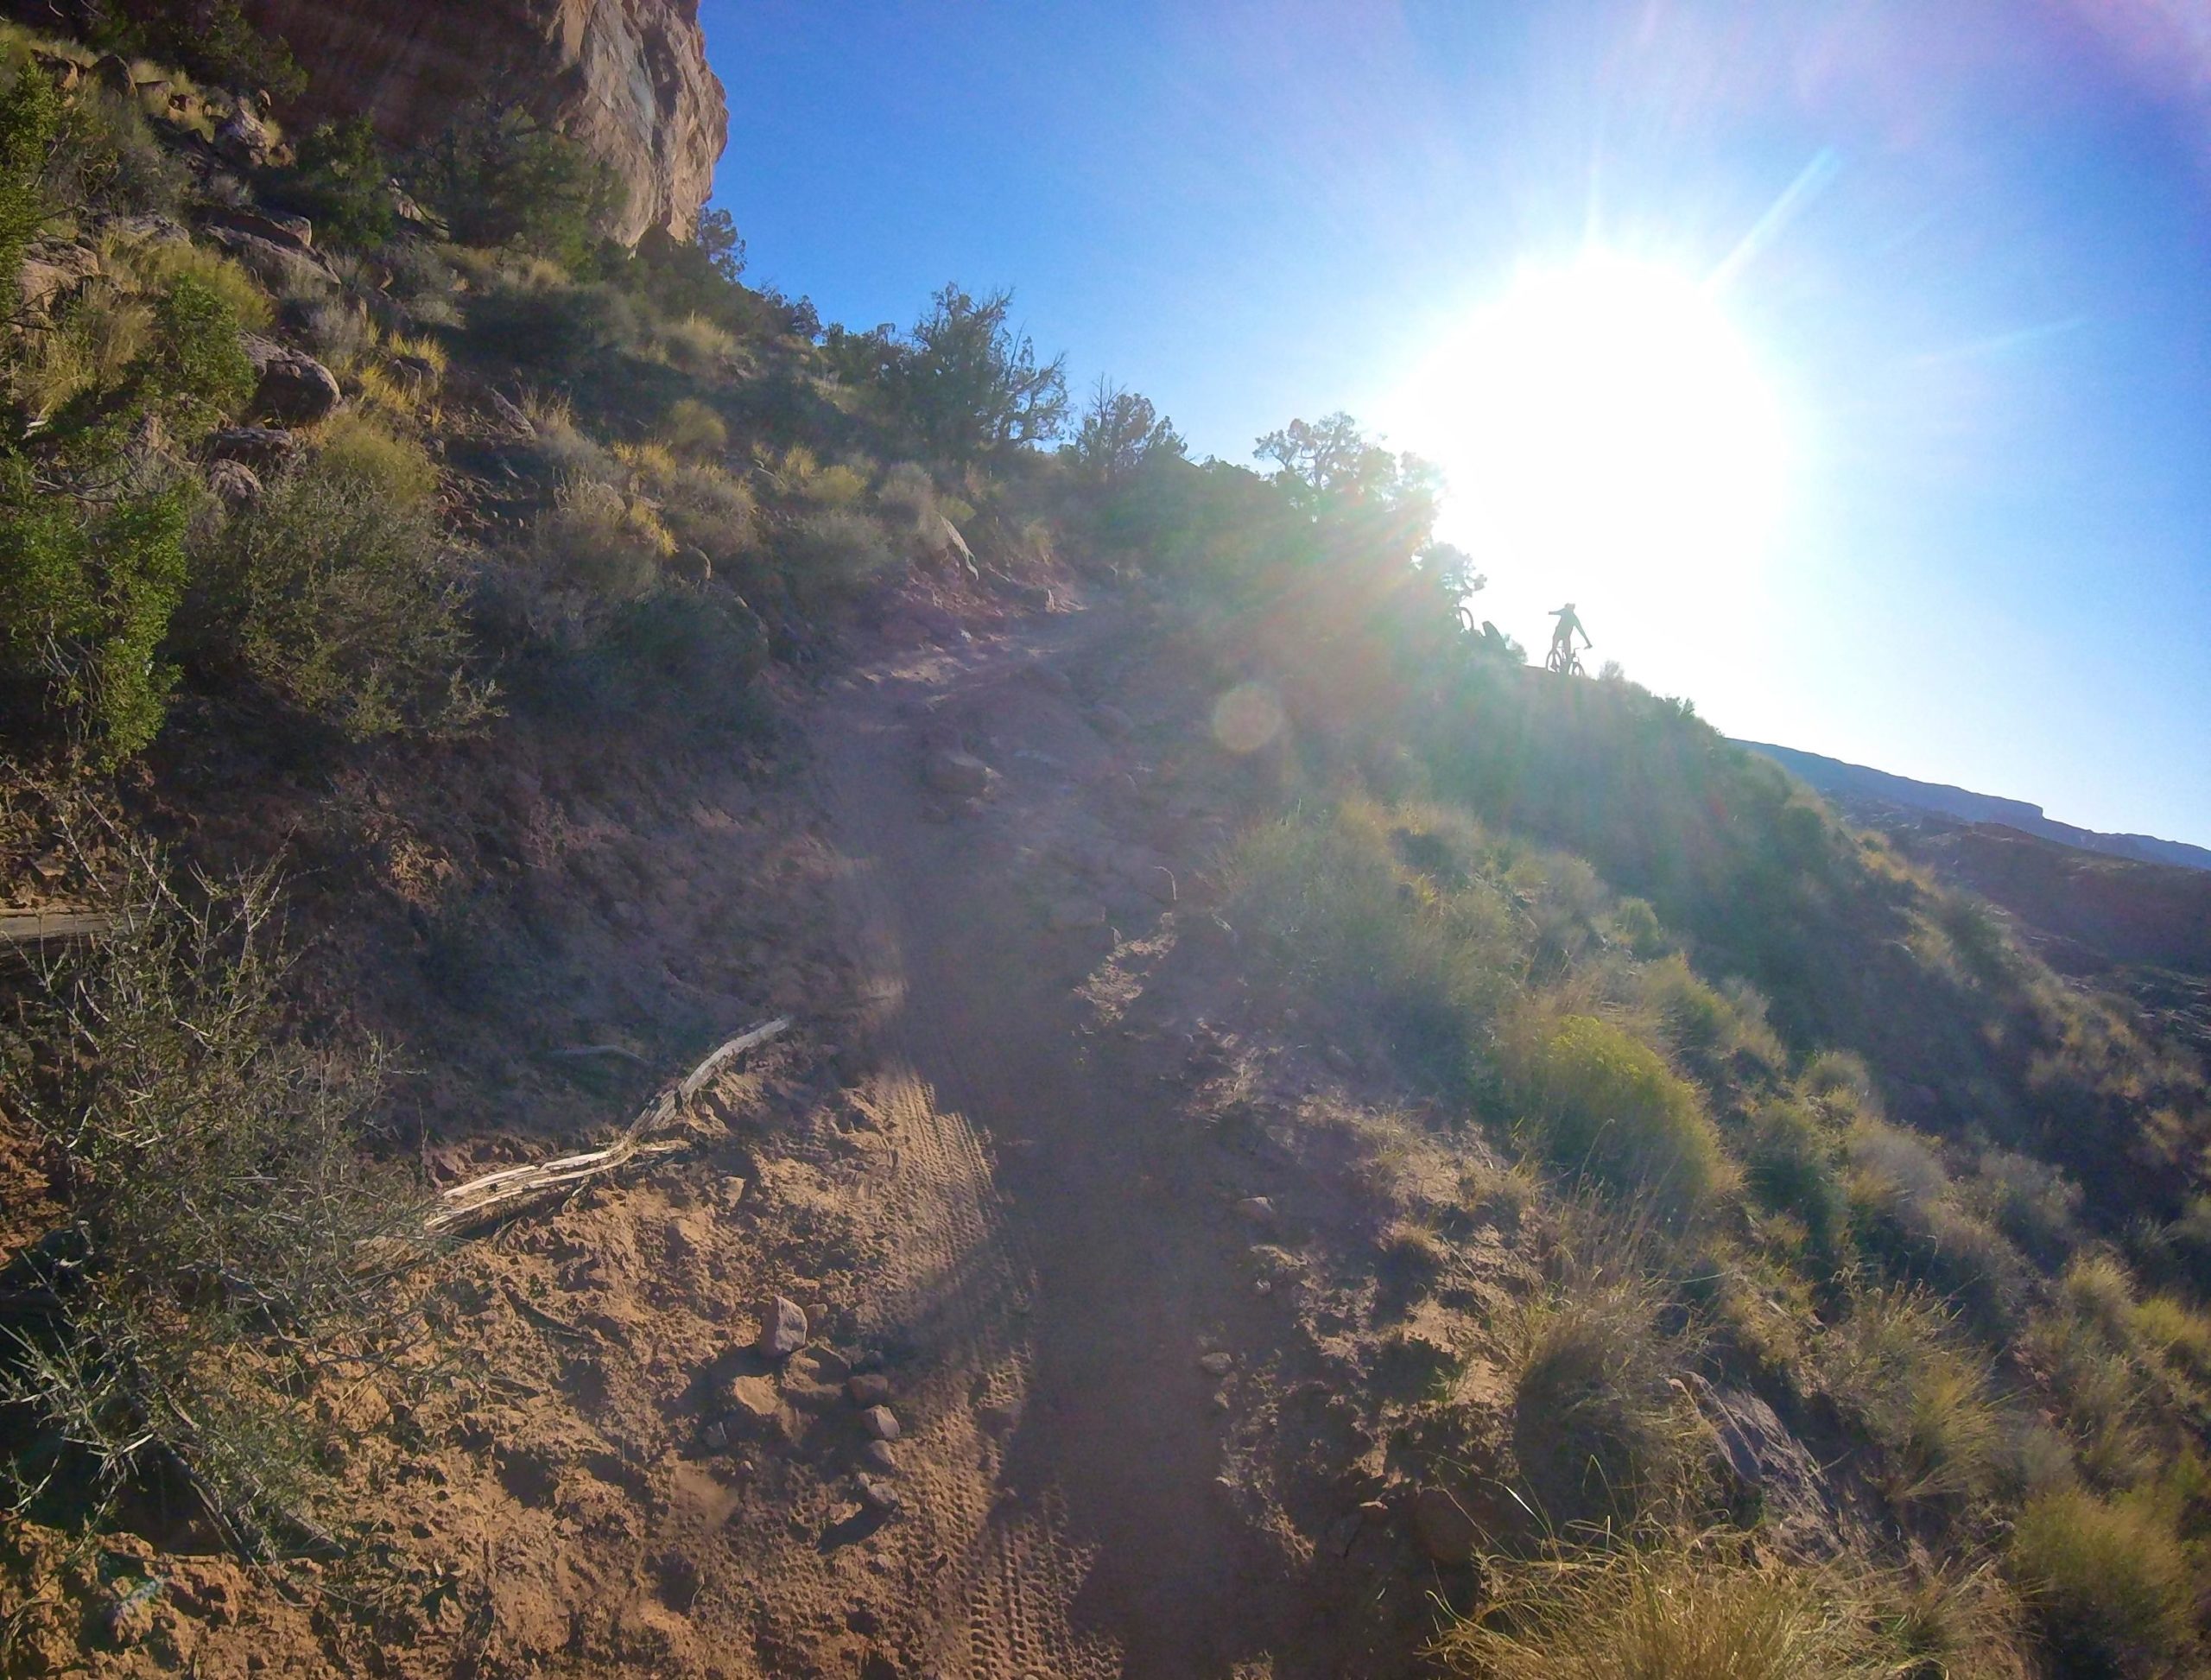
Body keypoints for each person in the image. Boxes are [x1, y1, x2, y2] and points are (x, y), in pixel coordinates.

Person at [1547, 603, 1591, 671]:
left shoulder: (1566, 612)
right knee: (1559, 649)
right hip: (1563, 635)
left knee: (1558, 648)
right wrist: (1588, 643)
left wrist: (1549, 612)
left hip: (1562, 635)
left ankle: (1558, 664)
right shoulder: (1572, 617)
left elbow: (1555, 612)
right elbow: (1581, 631)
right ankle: (1554, 662)